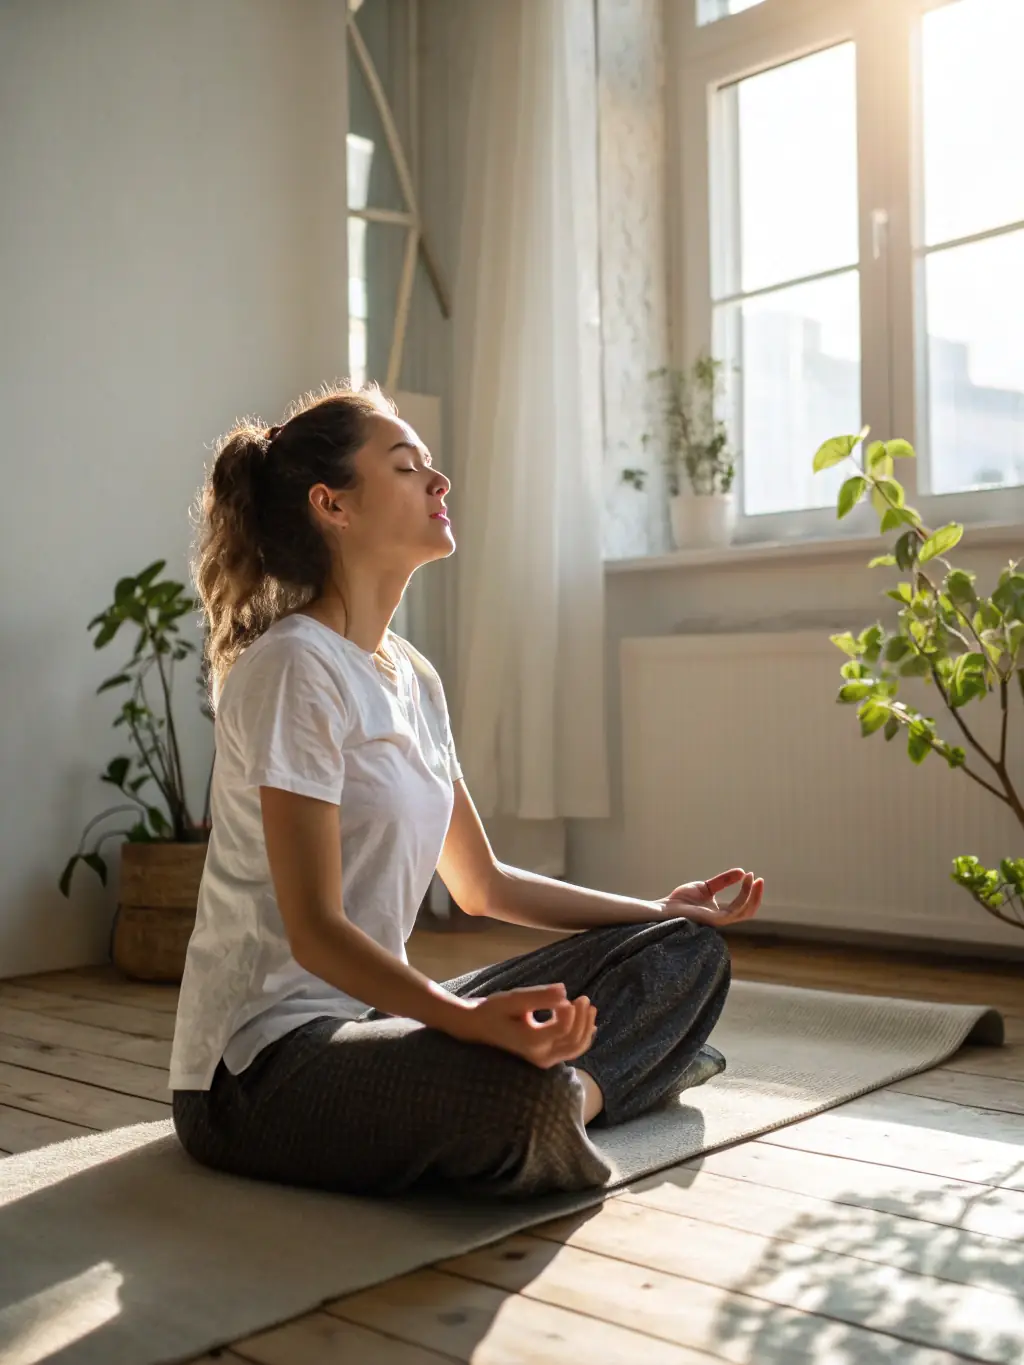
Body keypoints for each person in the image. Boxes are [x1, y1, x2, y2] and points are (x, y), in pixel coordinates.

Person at [170, 383, 764, 1199]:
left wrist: (661, 910)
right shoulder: (292, 667)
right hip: (260, 1068)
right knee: (506, 1089)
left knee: (687, 956)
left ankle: (570, 1097)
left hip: (380, 1023)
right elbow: (314, 931)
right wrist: (464, 1023)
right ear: (331, 505)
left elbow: (482, 886)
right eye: (408, 466)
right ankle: (587, 1090)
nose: (439, 482)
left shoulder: (412, 676)